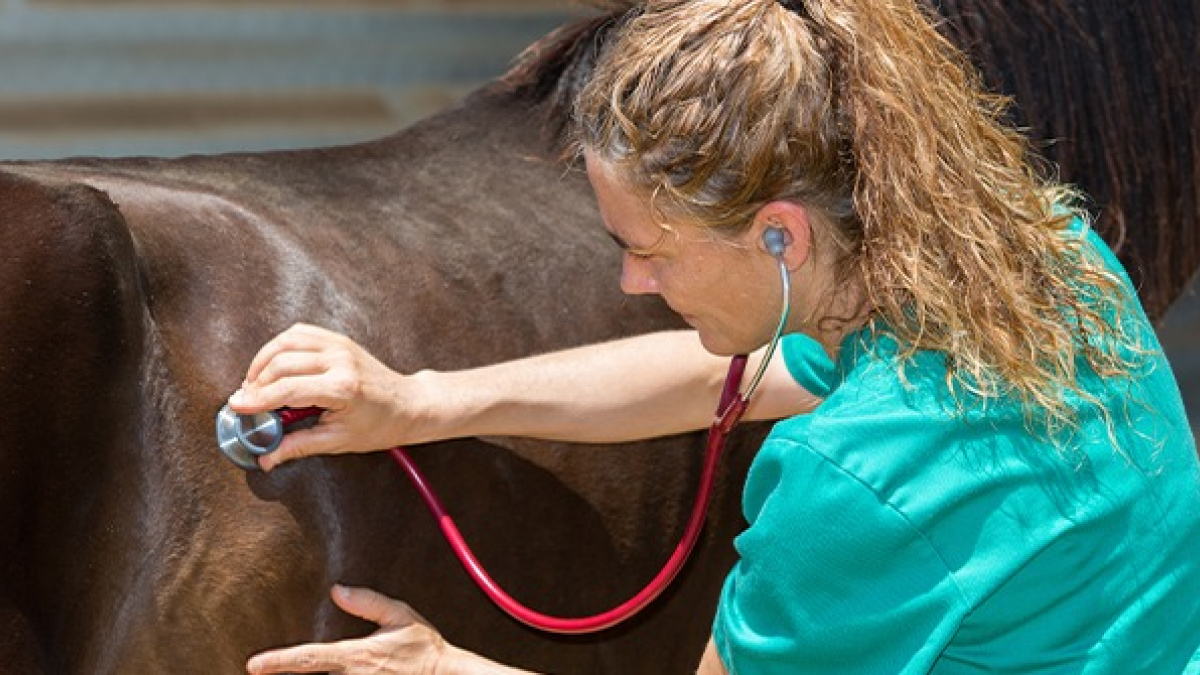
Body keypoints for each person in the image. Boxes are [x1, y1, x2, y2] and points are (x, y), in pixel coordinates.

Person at [230, 0, 1200, 672]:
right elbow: (737, 376)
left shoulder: (854, 479)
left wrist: (445, 669)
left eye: (650, 251)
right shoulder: (1043, 256)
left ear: (783, 233)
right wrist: (427, 400)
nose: (631, 281)